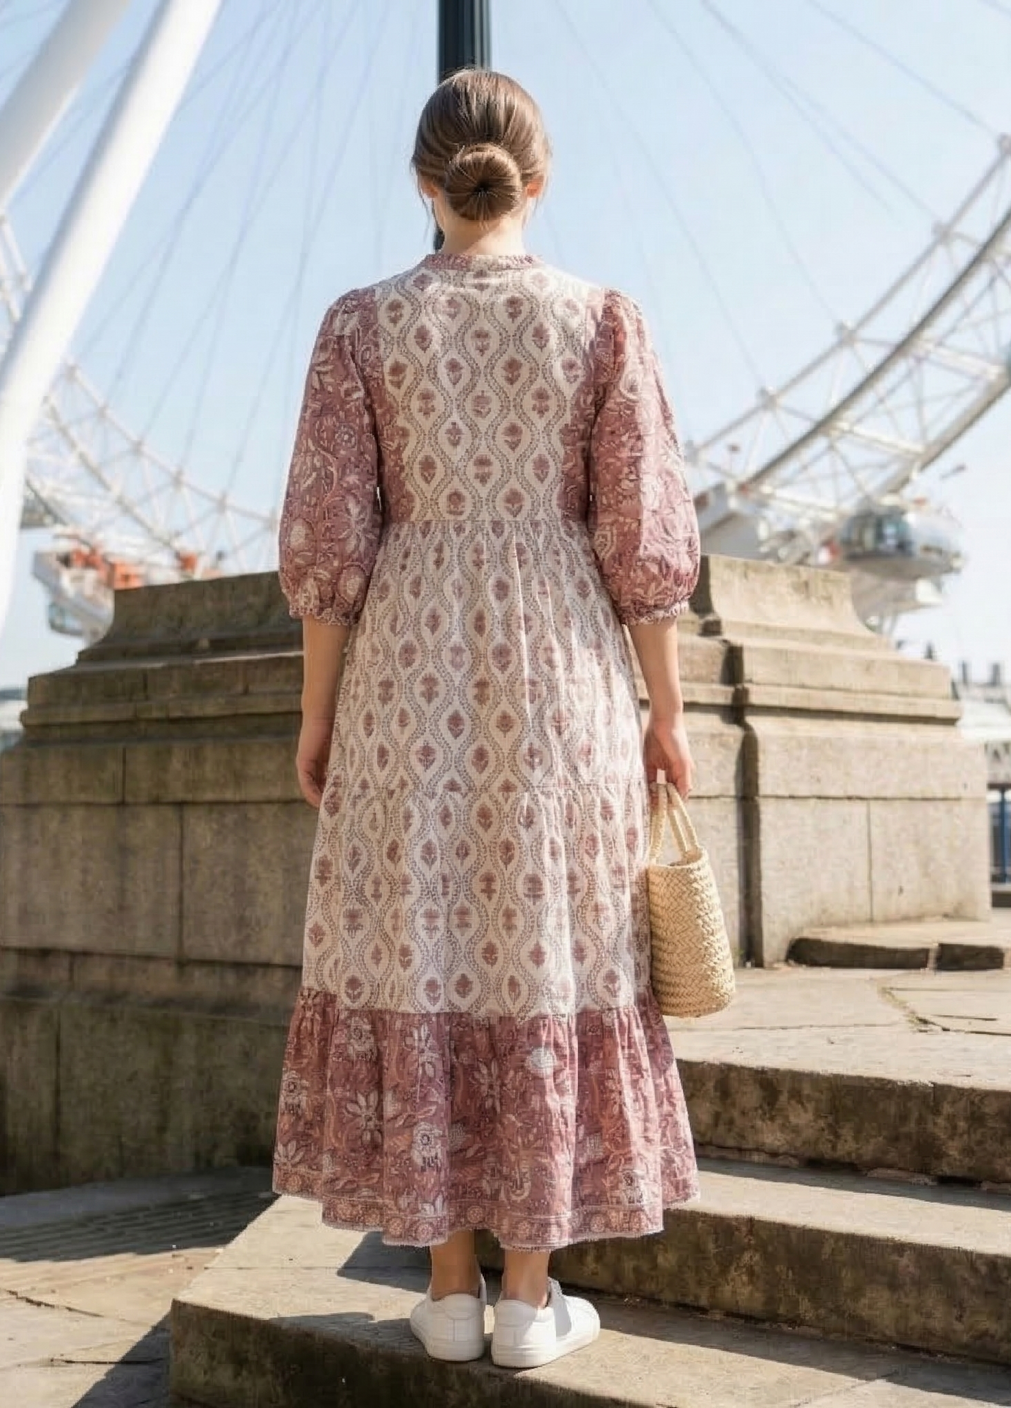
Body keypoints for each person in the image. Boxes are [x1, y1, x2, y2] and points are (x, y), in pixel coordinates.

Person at [272, 67, 701, 1371]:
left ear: (424, 183)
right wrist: (666, 714)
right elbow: (642, 535)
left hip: (406, 675)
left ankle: (447, 1294)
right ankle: (530, 1300)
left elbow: (331, 540)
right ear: (539, 179)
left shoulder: (359, 326)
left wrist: (318, 717)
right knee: (547, 953)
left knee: (424, 949)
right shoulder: (605, 320)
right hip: (561, 675)